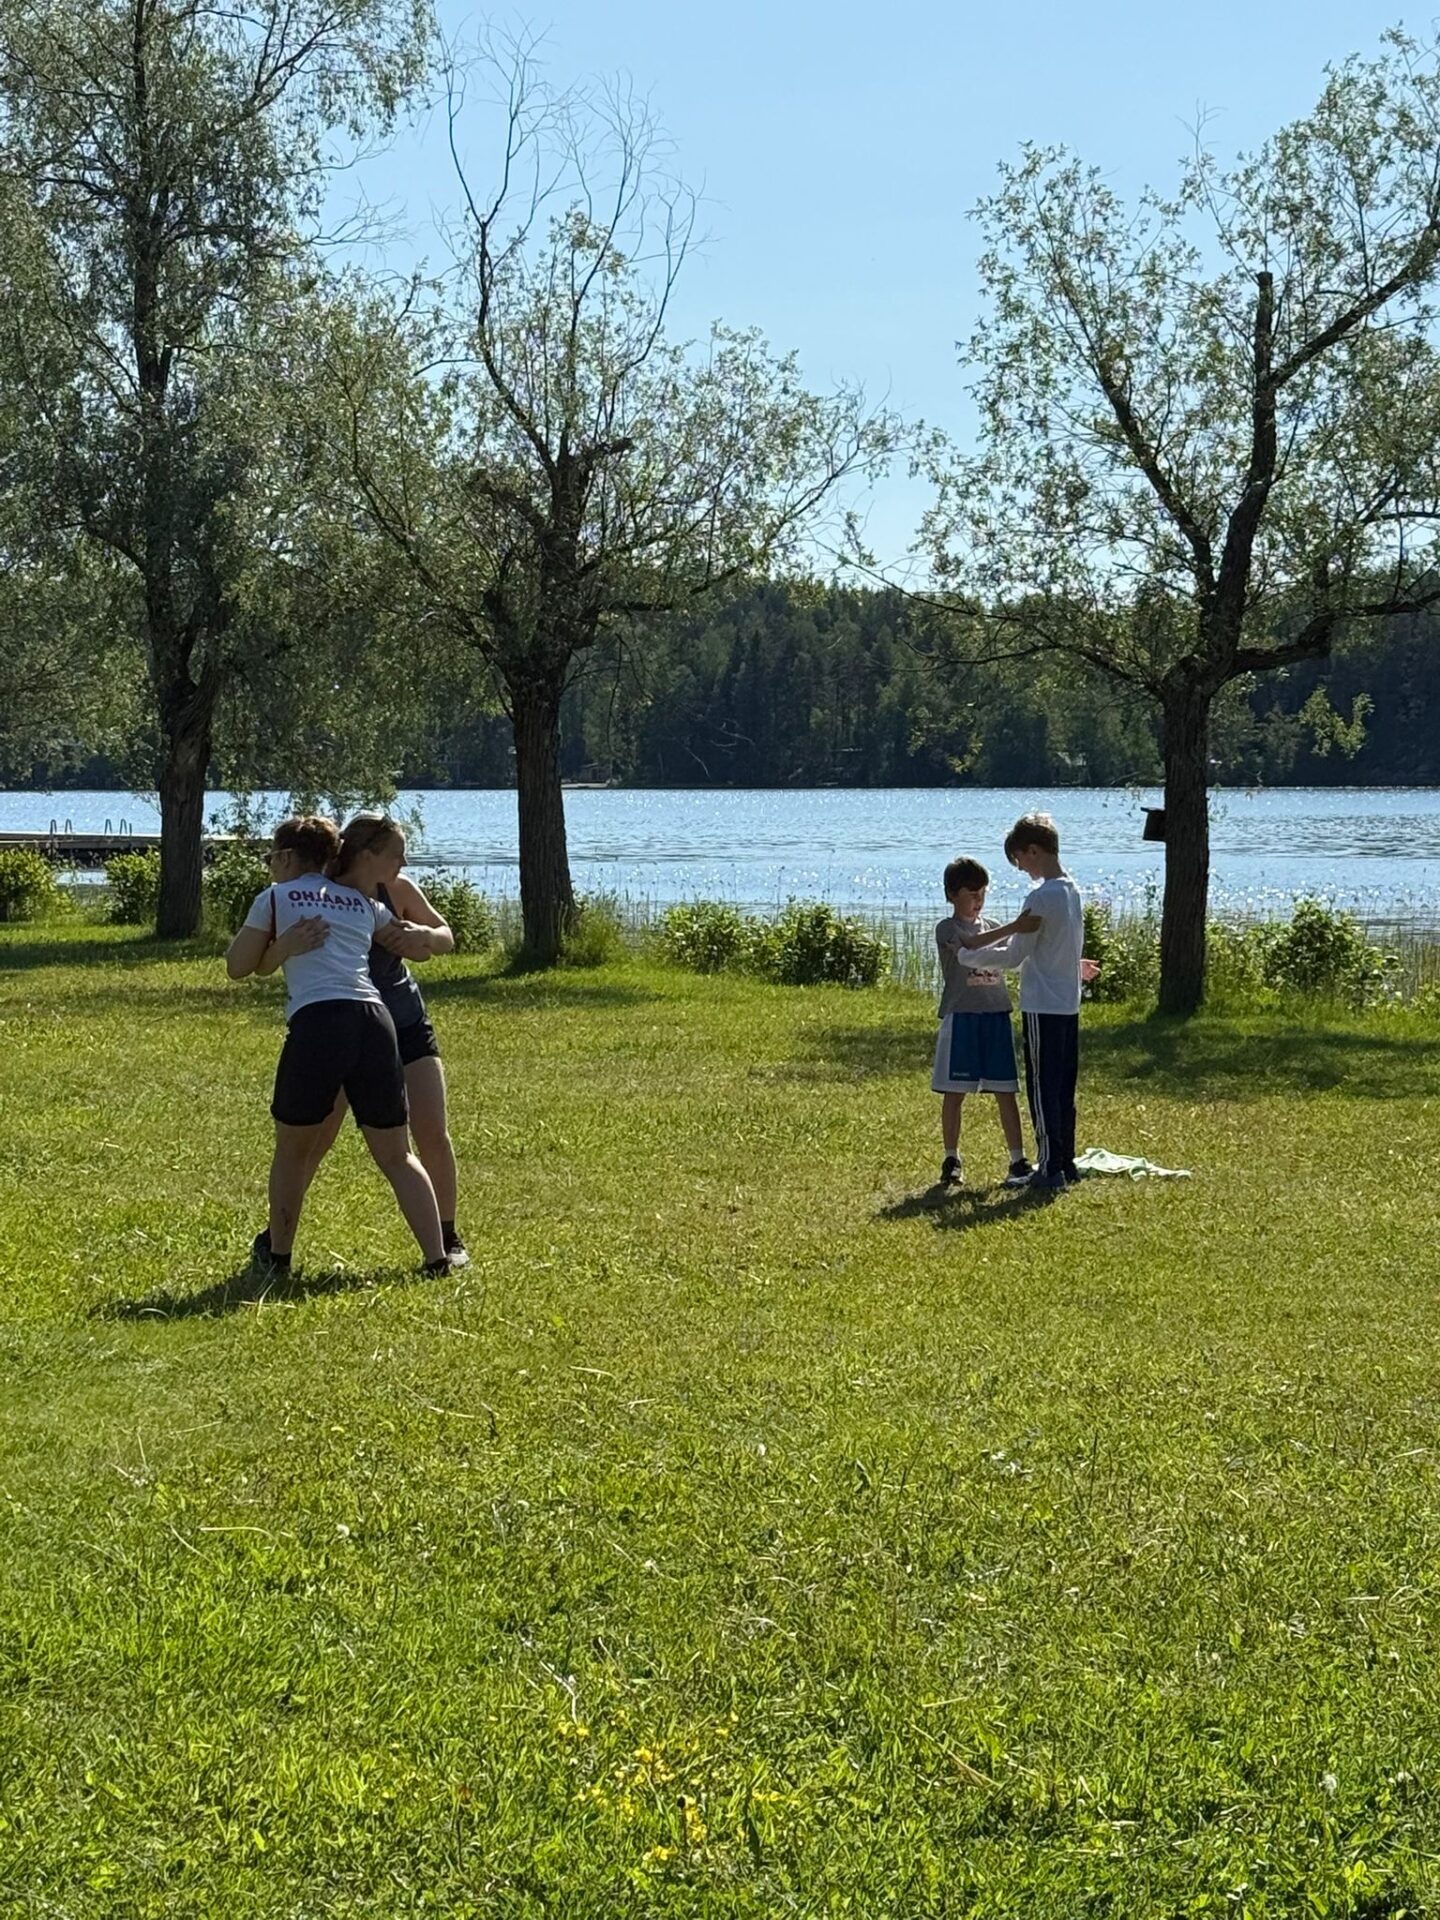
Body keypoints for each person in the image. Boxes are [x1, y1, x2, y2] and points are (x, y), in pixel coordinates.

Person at [225, 814, 453, 1275]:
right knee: (397, 1154)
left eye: (272, 857)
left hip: (319, 1024)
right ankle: (438, 1258)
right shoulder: (362, 903)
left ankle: (278, 1257)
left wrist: (282, 946)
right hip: (375, 1022)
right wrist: (424, 938)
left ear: (287, 857)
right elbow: (417, 948)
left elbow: (237, 966)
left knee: (293, 1150)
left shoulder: (274, 898)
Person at [293, 812, 468, 1267]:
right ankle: (278, 1233)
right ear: (368, 854)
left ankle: (447, 1235)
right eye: (396, 854)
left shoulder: (399, 889)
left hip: (405, 1020)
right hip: (348, 1028)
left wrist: (424, 936)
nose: (403, 862)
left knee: (431, 1130)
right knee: (317, 1136)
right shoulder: (324, 891)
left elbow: (445, 936)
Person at [952, 813, 1099, 1191]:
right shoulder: (1071, 891)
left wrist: (967, 956)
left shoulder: (1041, 896)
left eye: (1019, 860)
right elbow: (1059, 947)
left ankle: (1048, 1168)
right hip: (1067, 1002)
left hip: (1042, 1004)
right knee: (1062, 1085)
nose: (1021, 868)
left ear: (1033, 851)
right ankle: (1064, 1161)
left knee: (1042, 1086)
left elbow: (1015, 955)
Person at [932, 856, 1033, 1190]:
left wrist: (1073, 965)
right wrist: (1015, 927)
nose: (978, 900)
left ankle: (1017, 1160)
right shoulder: (947, 929)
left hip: (996, 1016)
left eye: (983, 893)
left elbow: (1018, 957)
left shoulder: (993, 925)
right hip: (962, 1016)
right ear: (952, 895)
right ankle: (951, 1158)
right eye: (971, 893)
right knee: (954, 1092)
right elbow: (971, 946)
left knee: (1006, 1091)